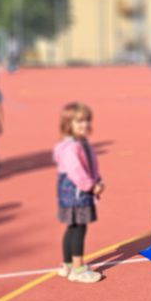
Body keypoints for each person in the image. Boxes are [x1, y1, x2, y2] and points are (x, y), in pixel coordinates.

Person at [53, 102, 104, 284]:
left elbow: (90, 165)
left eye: (87, 120)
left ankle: (67, 264)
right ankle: (78, 268)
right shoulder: (72, 147)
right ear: (68, 124)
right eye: (79, 121)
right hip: (77, 194)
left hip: (73, 193)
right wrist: (91, 186)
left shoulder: (80, 143)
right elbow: (77, 172)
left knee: (72, 227)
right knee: (79, 228)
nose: (85, 124)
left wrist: (97, 179)